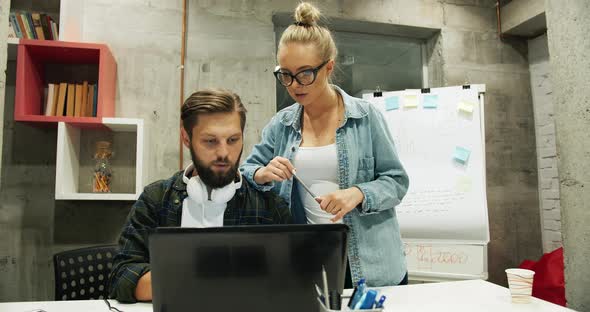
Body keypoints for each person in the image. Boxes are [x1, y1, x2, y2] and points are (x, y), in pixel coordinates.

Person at [240, 2, 410, 288]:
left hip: (370, 264)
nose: (295, 84)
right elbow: (247, 170)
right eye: (286, 74)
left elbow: (397, 182)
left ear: (328, 67)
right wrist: (263, 173)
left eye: (305, 73)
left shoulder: (365, 117)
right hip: (306, 261)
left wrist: (358, 193)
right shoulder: (281, 124)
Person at [108, 89, 292, 303]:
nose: (224, 153)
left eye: (233, 140)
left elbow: (294, 278)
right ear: (186, 138)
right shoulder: (156, 199)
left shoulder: (269, 207)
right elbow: (121, 277)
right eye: (210, 141)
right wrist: (199, 276)